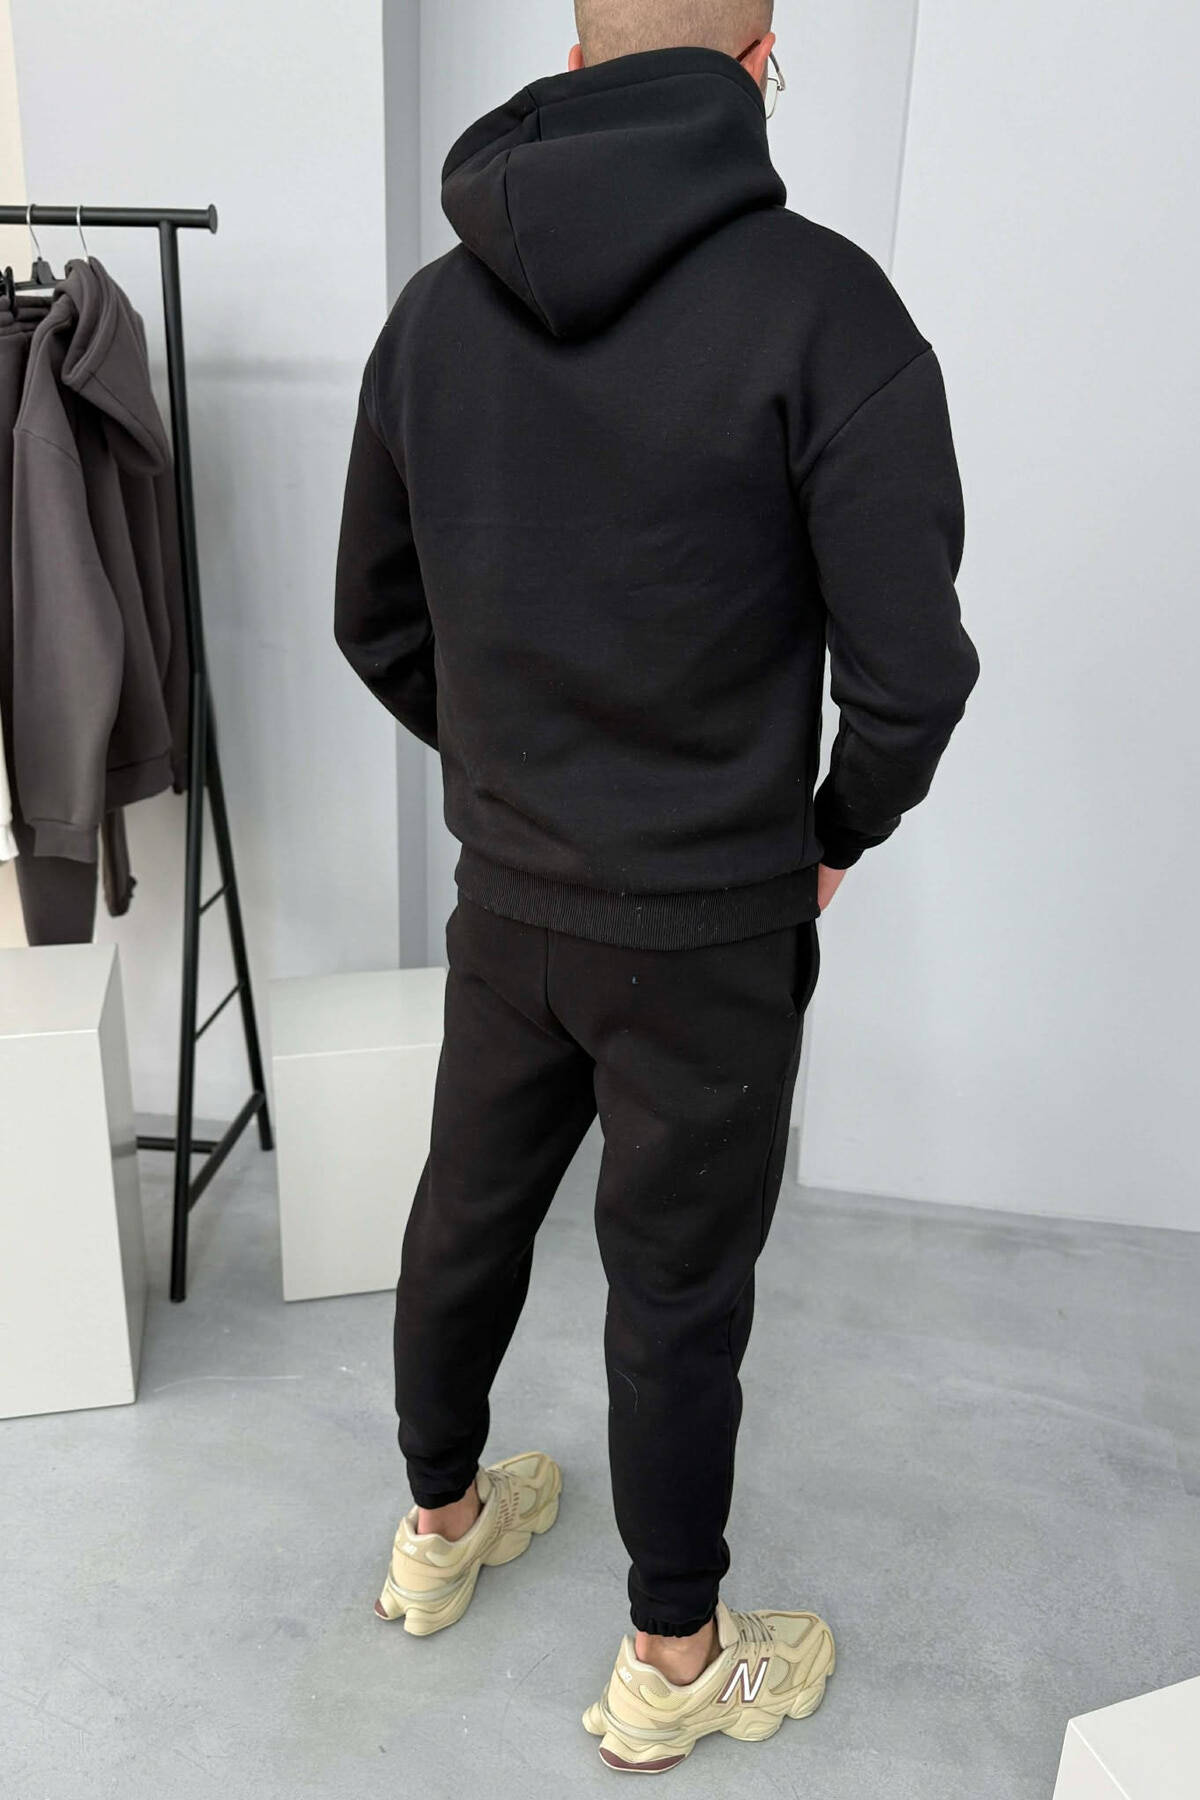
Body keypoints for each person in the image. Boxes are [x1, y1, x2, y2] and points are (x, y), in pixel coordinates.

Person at [334, 0, 979, 1773]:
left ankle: (439, 1529)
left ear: (575, 60)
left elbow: (373, 620)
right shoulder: (827, 309)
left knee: (465, 1214)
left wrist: (513, 782)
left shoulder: (434, 311)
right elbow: (913, 679)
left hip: (509, 896)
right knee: (677, 1290)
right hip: (707, 925)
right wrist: (830, 832)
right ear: (758, 67)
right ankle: (674, 1658)